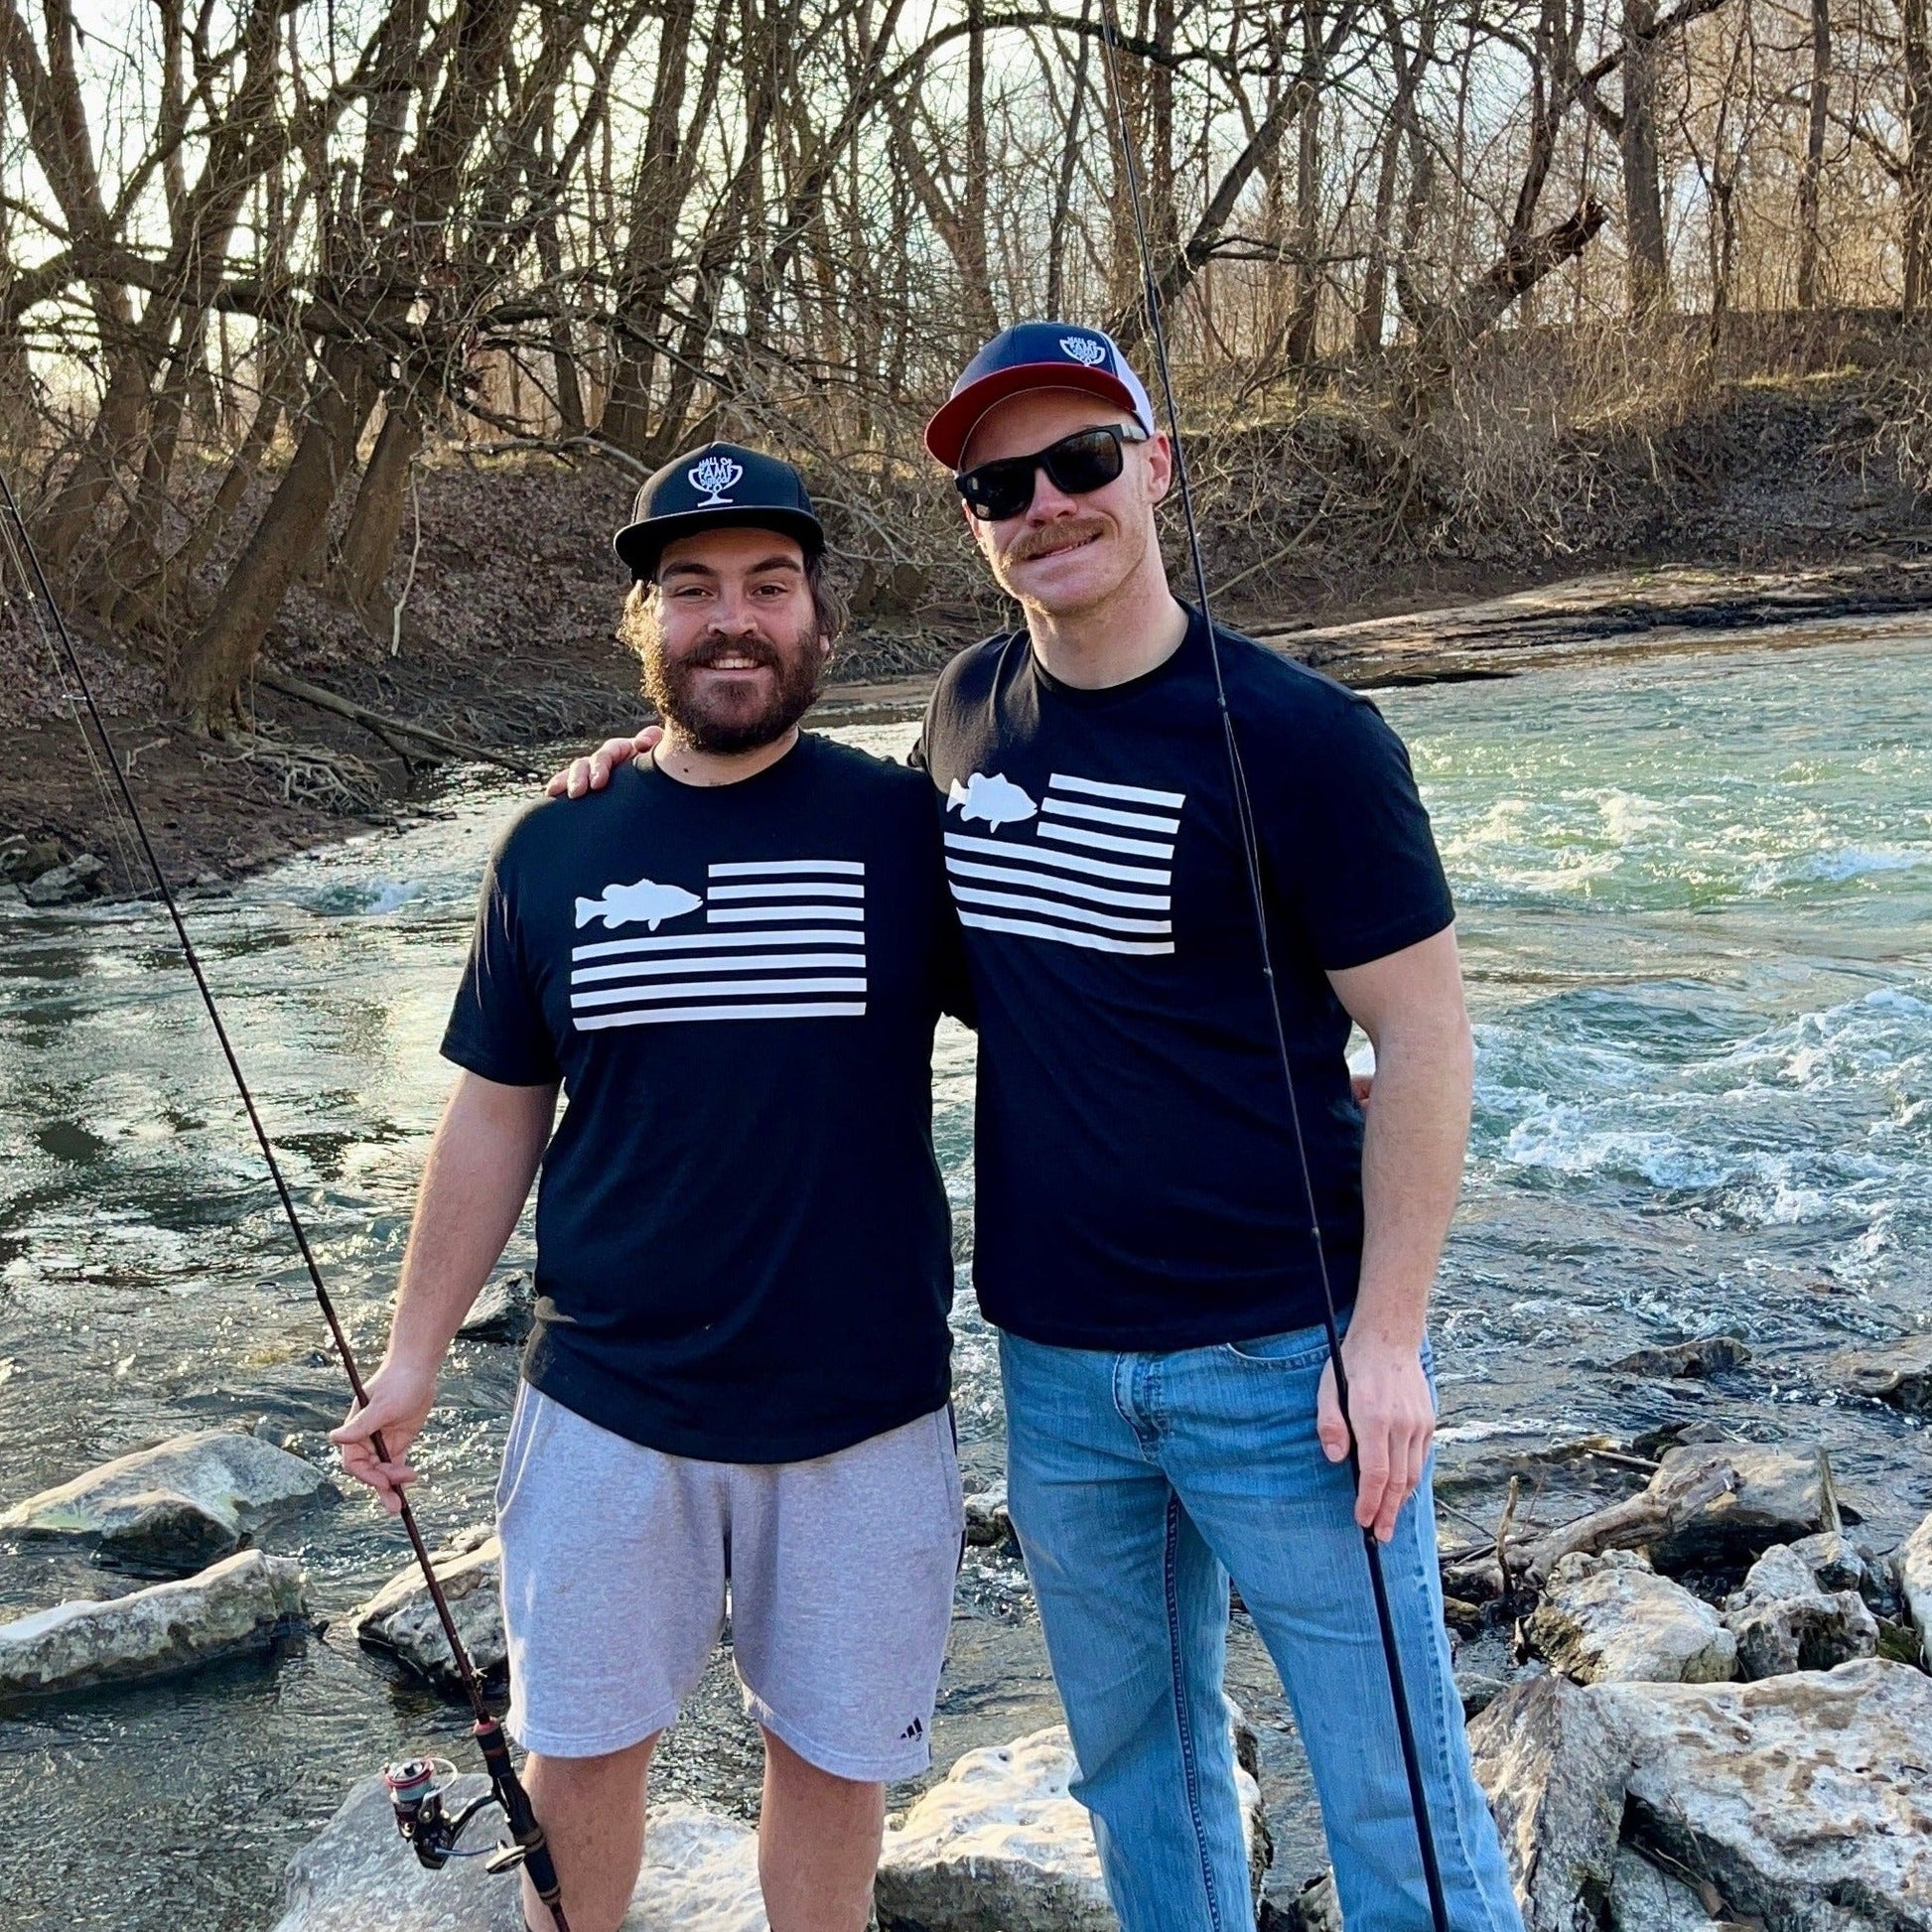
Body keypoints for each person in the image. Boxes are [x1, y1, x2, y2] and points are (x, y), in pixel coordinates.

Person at [556, 325, 1521, 1932]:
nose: (1045, 503)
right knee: (1139, 1775)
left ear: (1155, 465)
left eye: (1080, 460)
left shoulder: (1301, 738)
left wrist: (1391, 1336)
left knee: (1387, 1781)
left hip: (1283, 1363)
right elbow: (885, 915)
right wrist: (649, 781)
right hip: (1057, 1363)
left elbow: (1420, 1036)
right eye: (1000, 484)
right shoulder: (964, 710)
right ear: (973, 524)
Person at [332, 444, 969, 1932]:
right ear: (647, 626)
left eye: (766, 584)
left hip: (864, 1407)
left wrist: (1312, 1071)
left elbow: (1079, 1004)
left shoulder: (902, 830)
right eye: (691, 590)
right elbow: (496, 1111)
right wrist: (414, 1352)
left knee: (827, 1770)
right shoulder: (555, 842)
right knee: (579, 1758)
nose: (729, 619)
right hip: (606, 1405)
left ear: (819, 620)